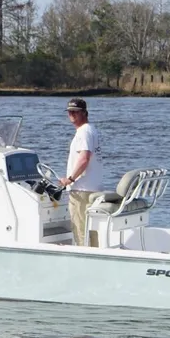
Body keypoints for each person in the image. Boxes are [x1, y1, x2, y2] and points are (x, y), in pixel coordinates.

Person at [59, 98, 104, 247]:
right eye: (70, 112)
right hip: (92, 187)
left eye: (76, 112)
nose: (72, 114)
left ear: (84, 113)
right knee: (90, 229)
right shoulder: (91, 130)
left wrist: (70, 179)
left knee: (80, 229)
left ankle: (86, 261)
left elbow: (84, 159)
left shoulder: (83, 132)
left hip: (81, 189)